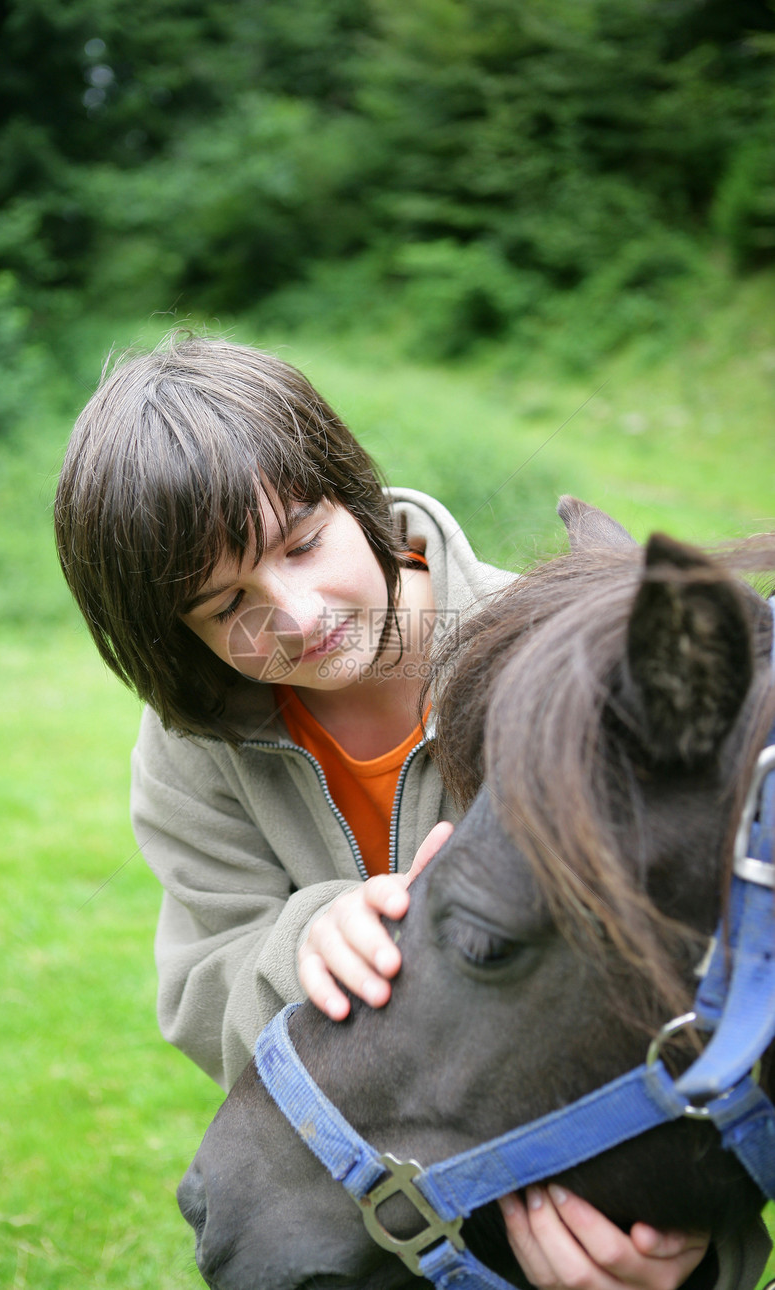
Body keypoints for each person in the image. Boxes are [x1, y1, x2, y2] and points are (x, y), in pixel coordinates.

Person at [54, 335, 733, 1290]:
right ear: (176, 640)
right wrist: (306, 936)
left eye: (303, 544)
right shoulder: (190, 746)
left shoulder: (545, 663)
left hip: (567, 1154)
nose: (294, 612)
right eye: (225, 605)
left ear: (353, 490)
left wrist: (700, 1248)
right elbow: (202, 982)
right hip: (377, 1167)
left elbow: (694, 968)